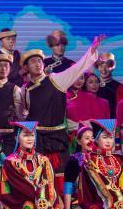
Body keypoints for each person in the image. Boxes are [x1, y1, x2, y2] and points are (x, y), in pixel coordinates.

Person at [20, 37, 101, 193]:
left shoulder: (56, 80)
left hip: (57, 138)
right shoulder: (25, 89)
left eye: (40, 61)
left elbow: (77, 69)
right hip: (37, 140)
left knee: (61, 177)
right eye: (33, 62)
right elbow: (25, 114)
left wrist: (91, 51)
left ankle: (64, 205)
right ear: (26, 67)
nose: (37, 64)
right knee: (40, 179)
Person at [0, 121, 60, 209]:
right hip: (19, 203)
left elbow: (50, 185)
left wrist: (47, 199)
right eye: (25, 135)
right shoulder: (10, 162)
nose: (30, 138)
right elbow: (20, 189)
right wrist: (40, 196)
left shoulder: (43, 160)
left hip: (43, 202)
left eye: (32, 135)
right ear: (17, 137)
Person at [63, 119, 123, 209]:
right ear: (79, 141)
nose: (108, 141)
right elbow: (69, 186)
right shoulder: (88, 160)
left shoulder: (119, 159)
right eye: (105, 137)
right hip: (97, 201)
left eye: (111, 137)